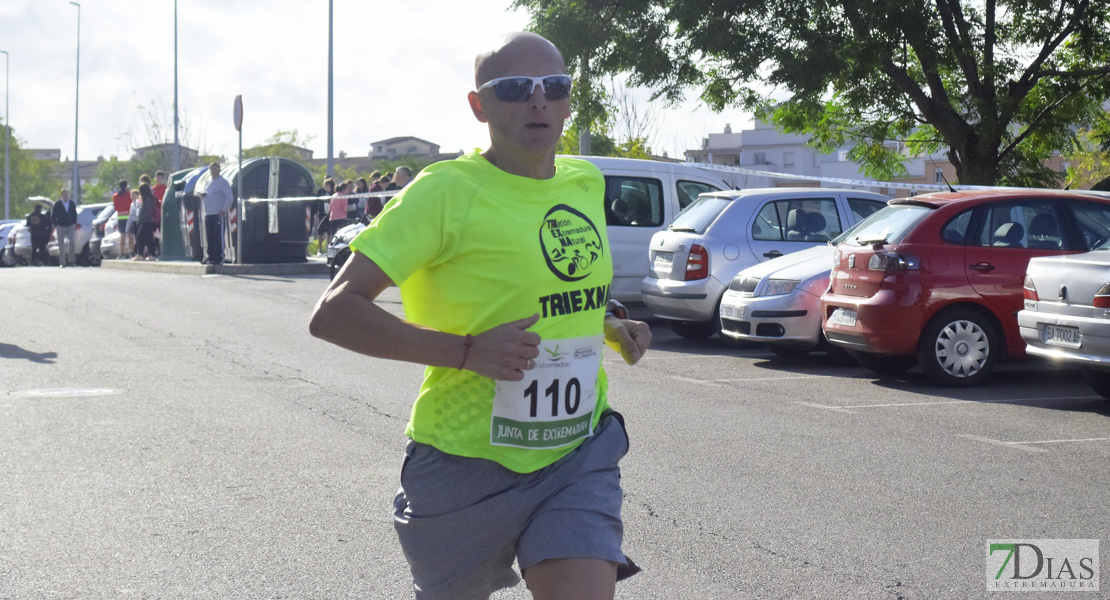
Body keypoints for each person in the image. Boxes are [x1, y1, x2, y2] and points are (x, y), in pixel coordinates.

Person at [310, 31, 652, 600]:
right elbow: (334, 313)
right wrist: (465, 352)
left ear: (569, 99)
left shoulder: (583, 182)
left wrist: (613, 324)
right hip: (464, 465)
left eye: (554, 87)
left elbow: (564, 290)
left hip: (575, 452)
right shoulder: (444, 192)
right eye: (515, 88)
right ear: (479, 106)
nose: (538, 101)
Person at [202, 162, 234, 265]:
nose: (214, 171)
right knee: (209, 236)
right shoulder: (208, 182)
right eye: (212, 169)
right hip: (208, 213)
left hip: (217, 213)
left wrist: (224, 209)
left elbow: (230, 197)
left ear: (219, 170)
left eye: (216, 169)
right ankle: (210, 257)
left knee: (217, 236)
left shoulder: (223, 182)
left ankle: (219, 257)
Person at [52, 188, 79, 268]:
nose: (66, 195)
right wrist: (56, 224)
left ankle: (71, 260)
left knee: (72, 242)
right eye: (64, 194)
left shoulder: (72, 203)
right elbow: (53, 215)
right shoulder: (58, 204)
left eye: (67, 194)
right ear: (61, 195)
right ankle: (62, 262)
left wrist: (74, 222)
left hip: (70, 225)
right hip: (60, 226)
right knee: (61, 244)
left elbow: (74, 214)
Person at [133, 183, 159, 261]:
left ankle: (146, 254)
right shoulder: (146, 199)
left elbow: (148, 211)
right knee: (145, 238)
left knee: (142, 237)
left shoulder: (147, 199)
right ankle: (141, 253)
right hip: (146, 221)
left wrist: (142, 219)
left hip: (146, 221)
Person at [312, 177, 335, 256]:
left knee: (329, 231)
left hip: (330, 214)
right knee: (320, 230)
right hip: (322, 213)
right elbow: (317, 201)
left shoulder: (333, 193)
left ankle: (328, 249)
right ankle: (320, 249)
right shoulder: (321, 192)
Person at [111, 180, 132, 258]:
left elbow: (116, 208)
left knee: (122, 236)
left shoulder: (116, 196)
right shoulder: (129, 195)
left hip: (120, 217)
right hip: (128, 217)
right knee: (130, 236)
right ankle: (131, 252)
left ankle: (122, 253)